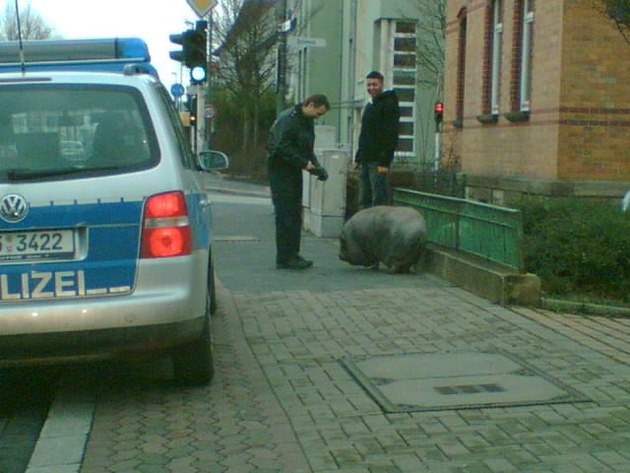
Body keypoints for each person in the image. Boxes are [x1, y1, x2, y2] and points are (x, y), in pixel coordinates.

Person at [268, 94, 330, 270]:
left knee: (294, 214)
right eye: (318, 113)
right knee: (286, 214)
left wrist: (316, 166)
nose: (318, 117)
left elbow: (307, 148)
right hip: (280, 172)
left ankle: (292, 254)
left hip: (293, 171)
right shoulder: (288, 120)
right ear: (310, 105)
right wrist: (304, 163)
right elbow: (281, 147)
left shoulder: (306, 121)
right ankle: (285, 257)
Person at [353, 70, 400, 208]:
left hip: (378, 161)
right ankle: (365, 228)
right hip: (366, 160)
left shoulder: (389, 105)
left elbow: (391, 134)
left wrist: (385, 162)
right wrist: (358, 158)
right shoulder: (370, 106)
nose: (371, 88)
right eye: (369, 85)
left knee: (378, 199)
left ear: (382, 84)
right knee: (363, 198)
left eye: (374, 84)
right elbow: (364, 134)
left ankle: (378, 228)